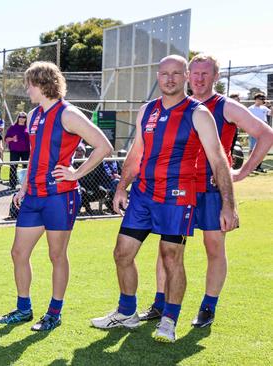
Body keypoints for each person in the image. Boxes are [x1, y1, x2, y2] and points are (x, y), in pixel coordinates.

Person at [90, 55, 238, 343]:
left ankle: (169, 319)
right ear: (157, 76)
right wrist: (121, 187)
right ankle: (126, 312)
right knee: (122, 253)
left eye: (176, 73)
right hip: (143, 195)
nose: (169, 79)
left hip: (178, 197)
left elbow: (219, 161)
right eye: (164, 73)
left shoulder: (198, 113)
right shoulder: (147, 111)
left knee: (172, 258)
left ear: (185, 76)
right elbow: (136, 154)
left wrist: (228, 204)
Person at [139, 54, 273, 328]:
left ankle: (208, 307)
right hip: (178, 188)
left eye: (205, 74)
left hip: (210, 191)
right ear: (187, 75)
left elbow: (266, 134)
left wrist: (243, 172)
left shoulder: (225, 107)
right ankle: (159, 303)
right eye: (195, 73)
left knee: (214, 247)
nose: (199, 79)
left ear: (216, 77)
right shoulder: (174, 105)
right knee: (168, 248)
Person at [0, 61, 113, 332]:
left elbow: (103, 146)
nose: (27, 89)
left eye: (29, 84)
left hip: (61, 196)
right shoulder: (34, 115)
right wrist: (23, 187)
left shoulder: (68, 114)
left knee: (56, 255)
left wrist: (75, 173)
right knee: (18, 252)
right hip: (34, 196)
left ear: (43, 84)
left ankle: (54, 312)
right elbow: (35, 154)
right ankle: (23, 309)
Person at [5, 111, 30, 188]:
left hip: (26, 151)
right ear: (18, 118)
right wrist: (12, 138)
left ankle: (24, 185)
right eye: (20, 117)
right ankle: (12, 185)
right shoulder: (12, 128)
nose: (22, 119)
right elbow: (6, 139)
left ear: (26, 119)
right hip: (14, 150)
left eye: (24, 117)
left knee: (25, 168)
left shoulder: (28, 127)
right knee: (13, 167)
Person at [247, 93, 271, 173]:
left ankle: (258, 167)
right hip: (254, 131)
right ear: (256, 99)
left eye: (263, 99)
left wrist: (271, 106)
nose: (263, 101)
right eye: (262, 99)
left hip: (263, 131)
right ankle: (250, 168)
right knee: (252, 149)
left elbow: (271, 114)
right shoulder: (250, 108)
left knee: (262, 149)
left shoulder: (264, 108)